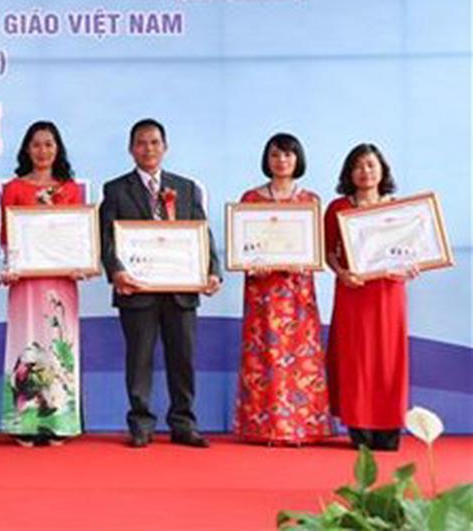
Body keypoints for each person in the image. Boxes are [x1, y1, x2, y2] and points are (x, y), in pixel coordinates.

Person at [99, 118, 220, 449]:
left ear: (165, 147)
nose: (148, 149)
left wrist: (212, 271)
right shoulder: (115, 189)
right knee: (139, 360)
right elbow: (106, 238)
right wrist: (116, 271)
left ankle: (184, 423)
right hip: (136, 289)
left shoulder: (186, 187)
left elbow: (203, 234)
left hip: (182, 290)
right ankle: (141, 424)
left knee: (183, 359)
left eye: (154, 142)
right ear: (131, 149)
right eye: (141, 143)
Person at [233, 133, 331, 446]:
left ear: (297, 159)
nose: (281, 161)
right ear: (267, 159)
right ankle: (263, 428)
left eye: (288, 154)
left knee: (300, 356)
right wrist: (251, 264)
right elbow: (242, 248)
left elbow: (316, 249)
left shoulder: (310, 200)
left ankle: (301, 428)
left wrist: (307, 261)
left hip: (297, 291)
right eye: (275, 155)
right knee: (263, 356)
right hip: (262, 291)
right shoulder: (251, 199)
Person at [324, 143, 418, 452]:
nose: (365, 171)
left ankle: (389, 427)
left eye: (371, 165)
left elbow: (413, 251)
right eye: (358, 166)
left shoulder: (398, 209)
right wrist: (341, 272)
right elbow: (329, 251)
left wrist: (413, 266)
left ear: (382, 170)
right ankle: (359, 426)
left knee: (389, 358)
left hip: (389, 293)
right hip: (353, 292)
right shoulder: (338, 208)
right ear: (349, 172)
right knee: (356, 358)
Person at [0, 121, 86, 447]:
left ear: (58, 149)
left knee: (58, 344)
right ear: (26, 149)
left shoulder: (71, 190)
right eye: (36, 144)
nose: (43, 151)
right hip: (25, 282)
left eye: (49, 144)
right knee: (26, 345)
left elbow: (77, 235)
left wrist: (82, 262)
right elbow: (7, 238)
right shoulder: (13, 188)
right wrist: (9, 266)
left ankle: (59, 421)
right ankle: (24, 423)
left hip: (61, 282)